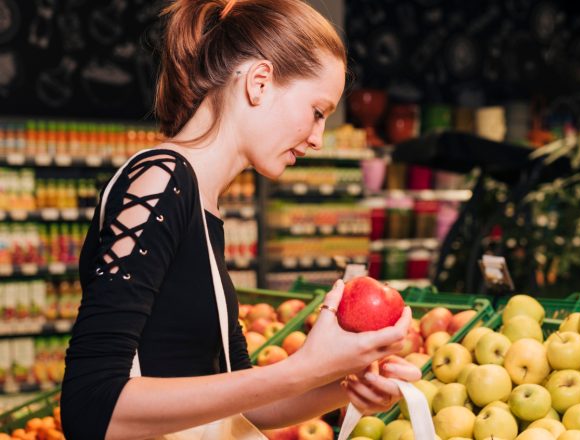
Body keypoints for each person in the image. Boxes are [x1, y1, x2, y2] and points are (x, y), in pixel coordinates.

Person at [61, 1, 420, 438]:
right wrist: (305, 367)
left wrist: (347, 385)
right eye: (318, 111)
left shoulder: (203, 201)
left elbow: (241, 401)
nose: (318, 139)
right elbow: (91, 406)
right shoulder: (161, 180)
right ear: (259, 82)